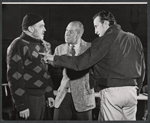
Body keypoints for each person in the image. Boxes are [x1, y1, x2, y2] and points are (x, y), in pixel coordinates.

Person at [40, 10, 146, 121]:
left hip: (112, 92)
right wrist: (137, 89)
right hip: (132, 92)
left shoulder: (104, 40)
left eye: (96, 26)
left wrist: (54, 58)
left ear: (106, 23)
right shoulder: (134, 38)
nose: (95, 31)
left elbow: (80, 63)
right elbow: (142, 67)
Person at [6, 13, 54, 120]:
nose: (45, 29)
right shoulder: (18, 44)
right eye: (41, 26)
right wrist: (22, 105)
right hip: (28, 98)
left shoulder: (42, 45)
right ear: (31, 29)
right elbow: (15, 77)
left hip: (41, 98)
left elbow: (46, 72)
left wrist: (49, 94)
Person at [53, 21, 95, 120]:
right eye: (66, 30)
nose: (66, 33)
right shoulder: (59, 49)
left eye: (71, 31)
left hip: (84, 97)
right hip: (63, 95)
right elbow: (52, 70)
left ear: (79, 34)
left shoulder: (90, 48)